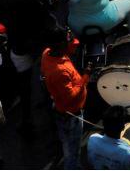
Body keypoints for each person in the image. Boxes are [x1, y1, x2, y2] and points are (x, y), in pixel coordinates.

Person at [41, 26, 89, 169]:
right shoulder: (60, 72)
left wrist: (68, 38)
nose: (70, 42)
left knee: (67, 144)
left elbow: (75, 44)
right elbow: (71, 97)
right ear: (60, 44)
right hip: (71, 115)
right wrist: (85, 77)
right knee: (72, 151)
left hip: (60, 107)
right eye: (66, 40)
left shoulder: (47, 53)